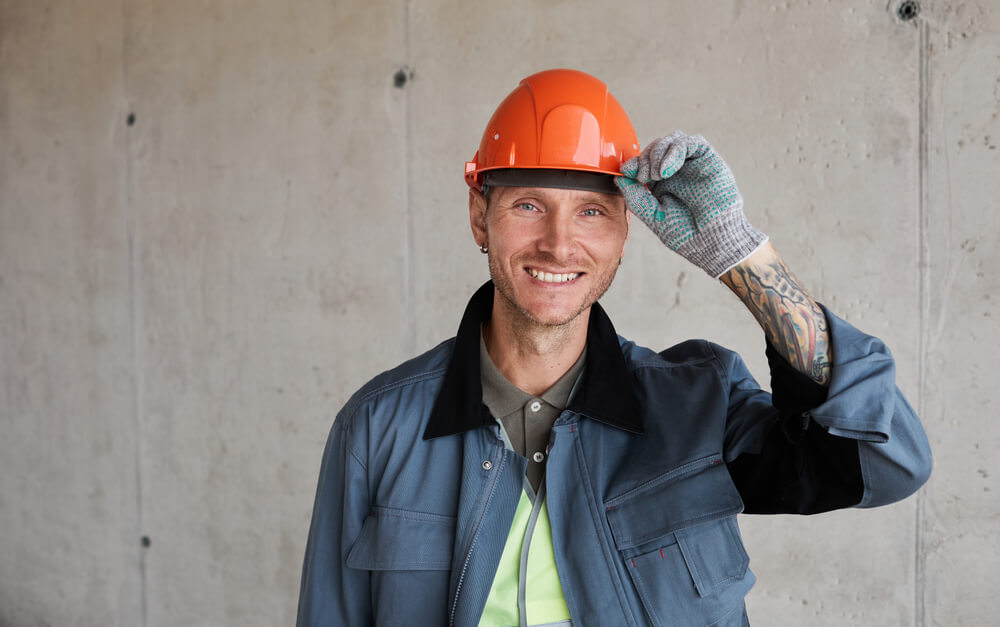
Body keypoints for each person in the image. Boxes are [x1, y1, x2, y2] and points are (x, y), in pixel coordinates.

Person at [296, 69, 932, 627]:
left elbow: (888, 460)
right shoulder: (378, 428)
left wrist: (742, 257)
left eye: (592, 213)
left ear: (627, 228)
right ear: (478, 217)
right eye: (527, 205)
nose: (558, 243)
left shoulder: (698, 409)